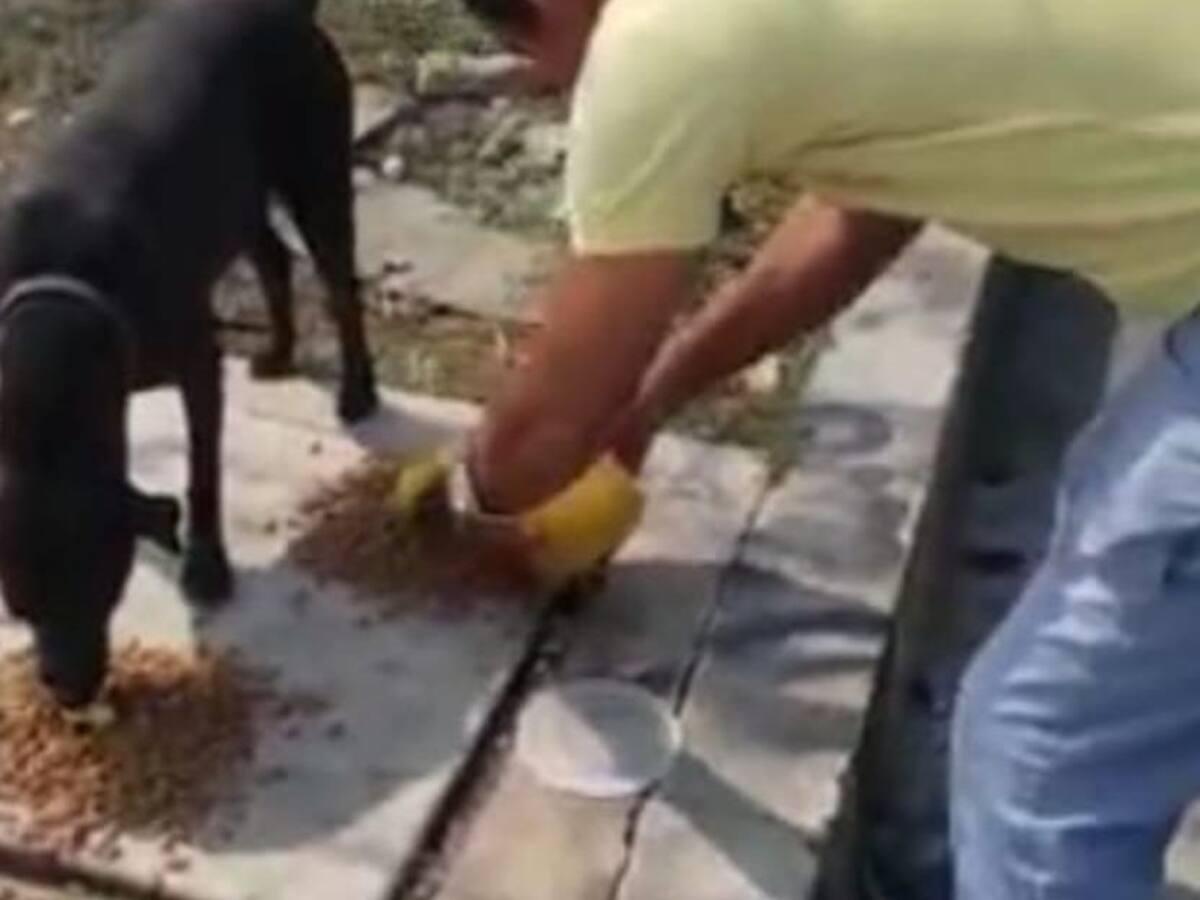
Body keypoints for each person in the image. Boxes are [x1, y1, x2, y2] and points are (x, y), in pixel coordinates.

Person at [424, 1, 1200, 897]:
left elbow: (545, 426)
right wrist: (653, 401)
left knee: (1039, 767)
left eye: (532, 50)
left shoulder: (653, 44)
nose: (556, 82)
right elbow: (850, 225)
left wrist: (470, 511)